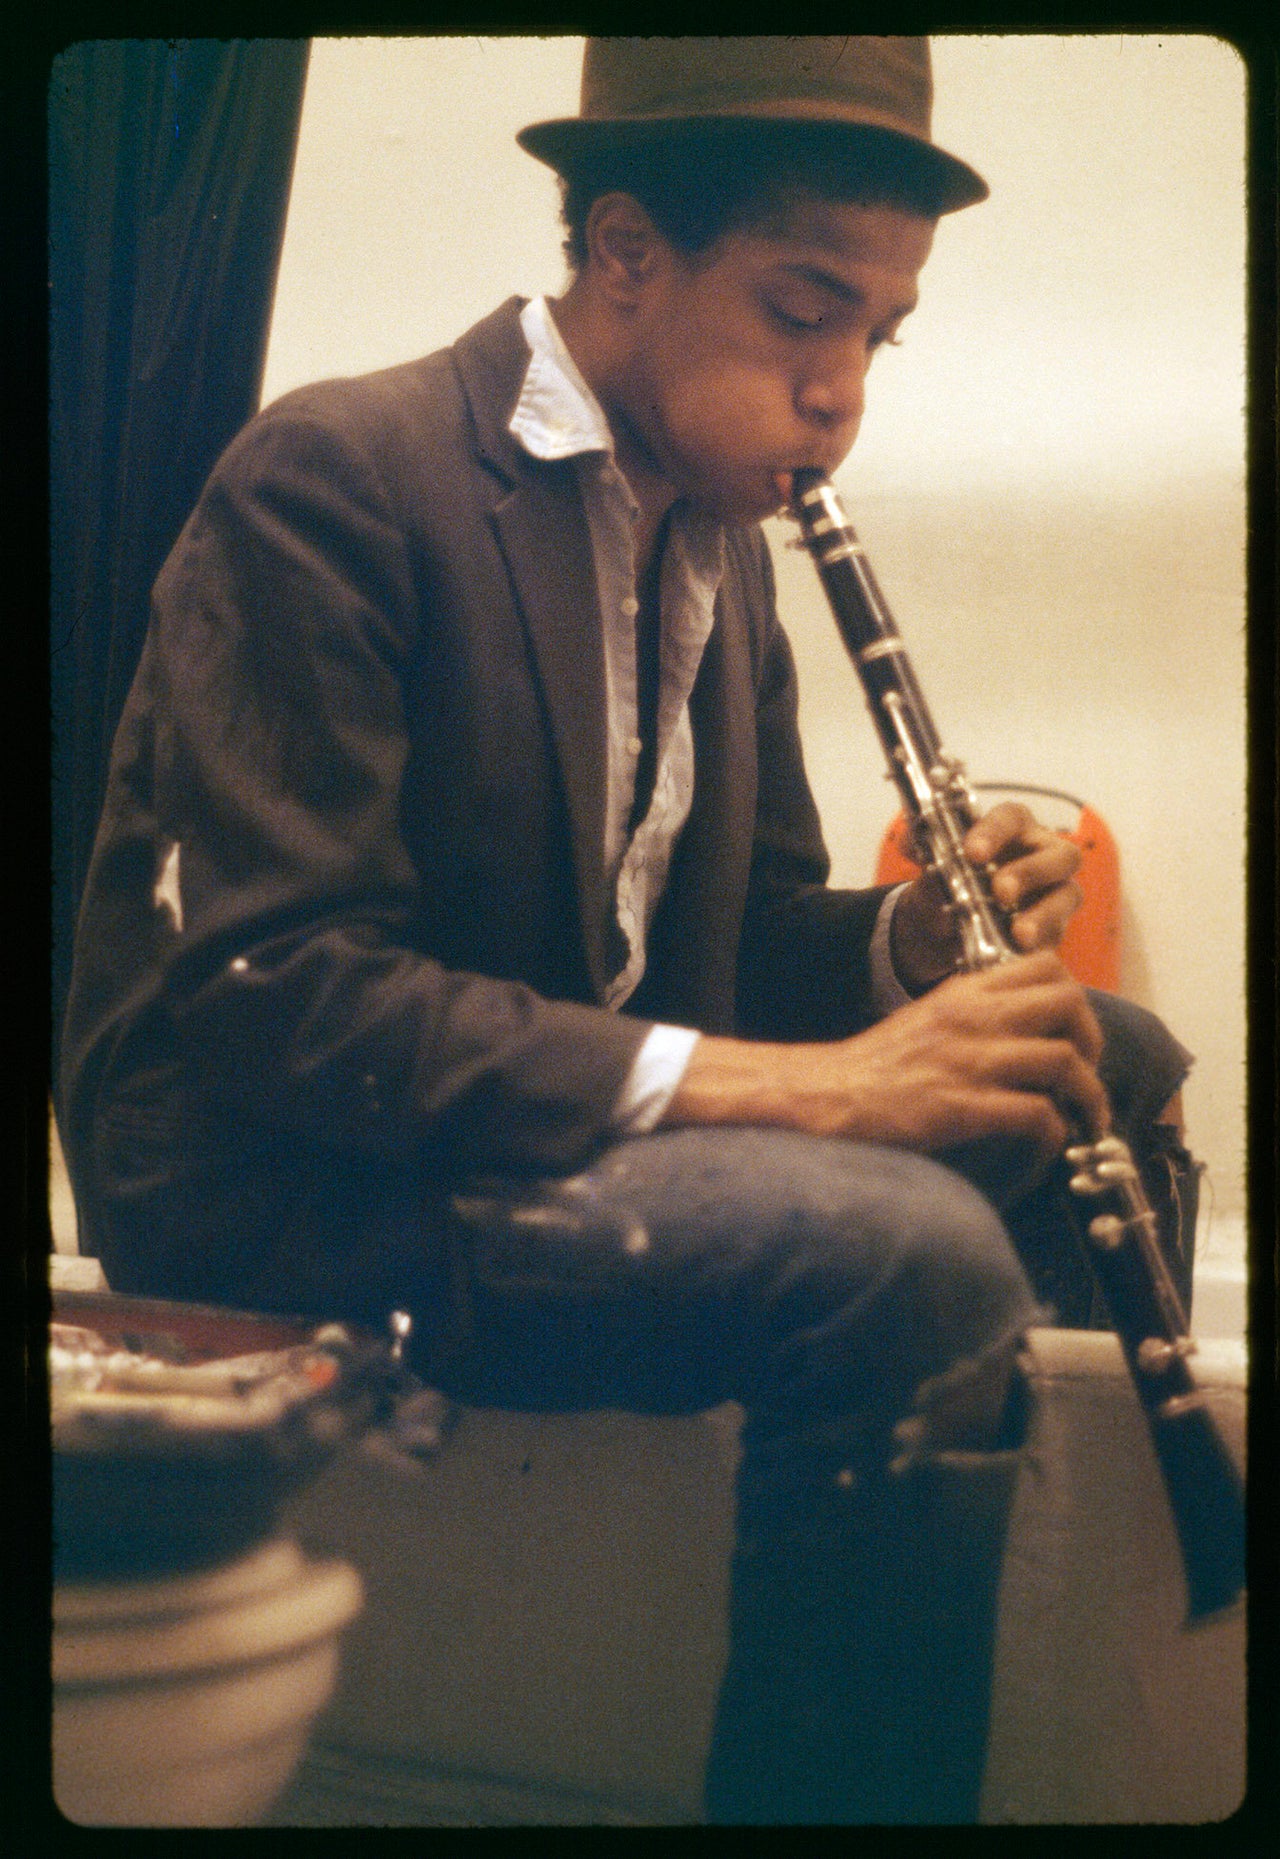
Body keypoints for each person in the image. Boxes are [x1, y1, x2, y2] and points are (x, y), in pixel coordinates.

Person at [60, 38, 1197, 1824]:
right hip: (290, 1167)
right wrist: (832, 1100)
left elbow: (733, 940)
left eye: (877, 338)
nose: (840, 397)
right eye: (805, 311)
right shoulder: (337, 473)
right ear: (624, 249)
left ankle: (1093, 1689)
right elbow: (283, 999)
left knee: (1100, 1064)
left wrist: (918, 950)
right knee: (903, 1252)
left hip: (527, 1126)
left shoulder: (722, 550)